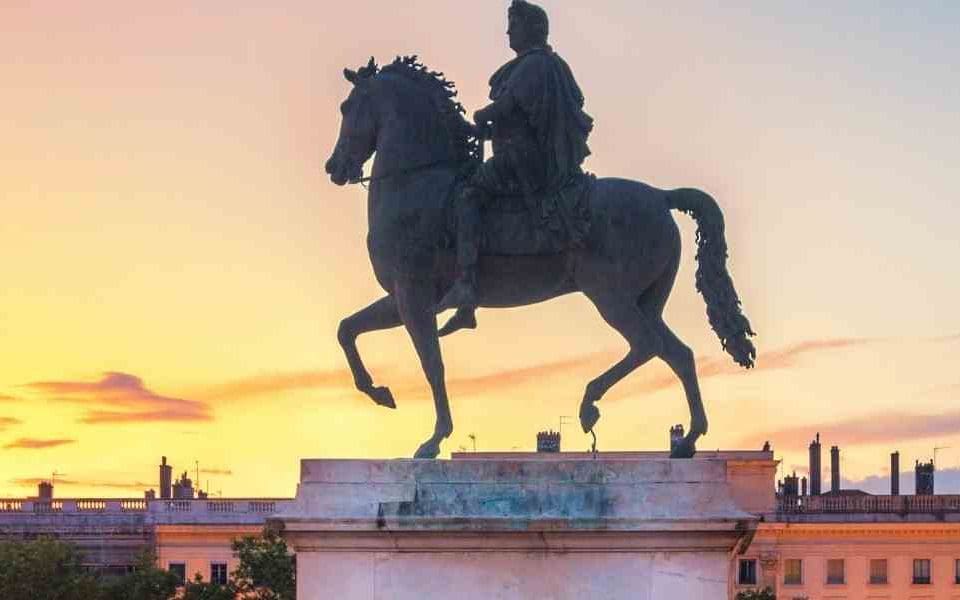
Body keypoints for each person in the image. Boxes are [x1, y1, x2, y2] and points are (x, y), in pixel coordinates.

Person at [437, 0, 594, 336]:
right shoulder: (540, 64)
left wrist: (481, 117)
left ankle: (466, 286)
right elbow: (519, 118)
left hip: (523, 159)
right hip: (524, 150)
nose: (509, 31)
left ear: (532, 28)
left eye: (514, 24)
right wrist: (487, 128)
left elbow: (506, 106)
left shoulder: (535, 64)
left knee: (467, 195)